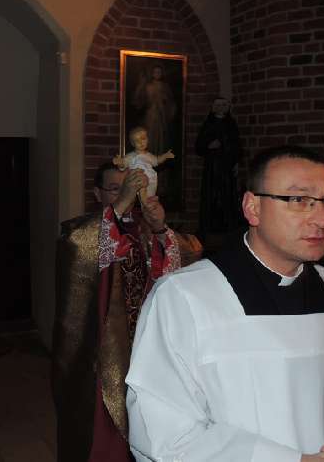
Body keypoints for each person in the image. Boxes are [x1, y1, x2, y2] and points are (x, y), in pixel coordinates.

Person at [126, 145, 324, 462]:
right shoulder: (184, 296)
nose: (321, 219)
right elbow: (164, 427)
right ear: (253, 208)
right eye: (299, 200)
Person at [51, 162, 196, 462]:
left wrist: (160, 229)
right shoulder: (80, 231)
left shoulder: (145, 230)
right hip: (104, 351)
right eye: (116, 189)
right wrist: (118, 207)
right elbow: (78, 249)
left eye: (131, 189)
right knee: (104, 431)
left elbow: (189, 257)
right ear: (97, 194)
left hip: (149, 347)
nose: (126, 195)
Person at [195, 97, 241, 235]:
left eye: (224, 105)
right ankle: (208, 228)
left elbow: (236, 145)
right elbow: (199, 146)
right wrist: (208, 145)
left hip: (227, 167)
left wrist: (236, 162)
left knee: (227, 196)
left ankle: (228, 228)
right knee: (211, 196)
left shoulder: (231, 124)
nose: (221, 107)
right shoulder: (208, 124)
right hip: (212, 167)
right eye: (218, 105)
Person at [114, 126, 175, 201]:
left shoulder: (149, 156)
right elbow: (124, 165)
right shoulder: (130, 156)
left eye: (143, 138)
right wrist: (120, 163)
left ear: (147, 140)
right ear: (133, 144)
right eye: (137, 141)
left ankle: (149, 200)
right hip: (137, 179)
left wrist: (165, 156)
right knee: (137, 194)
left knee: (150, 197)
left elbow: (157, 160)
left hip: (150, 180)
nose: (141, 142)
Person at [132, 63, 176, 157]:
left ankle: (160, 155)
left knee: (162, 135)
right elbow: (141, 100)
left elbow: (171, 102)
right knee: (150, 135)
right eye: (155, 72)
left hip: (162, 115)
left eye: (159, 72)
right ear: (152, 73)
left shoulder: (165, 86)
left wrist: (165, 103)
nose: (157, 74)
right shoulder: (148, 86)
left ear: (162, 73)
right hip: (151, 115)